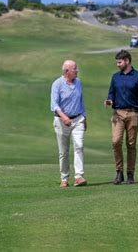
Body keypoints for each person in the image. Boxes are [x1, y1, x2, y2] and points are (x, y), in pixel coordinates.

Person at [104, 50, 138, 185]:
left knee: (131, 145)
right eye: (117, 62)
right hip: (118, 113)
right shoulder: (115, 77)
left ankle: (130, 173)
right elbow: (111, 93)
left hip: (133, 113)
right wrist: (109, 100)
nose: (117, 65)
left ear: (127, 61)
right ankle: (119, 172)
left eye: (120, 62)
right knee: (115, 141)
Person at [51, 60, 87, 188]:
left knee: (79, 145)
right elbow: (54, 105)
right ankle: (64, 178)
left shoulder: (78, 83)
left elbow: (81, 101)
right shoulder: (57, 84)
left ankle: (78, 177)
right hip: (61, 121)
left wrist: (84, 117)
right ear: (67, 71)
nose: (77, 70)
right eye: (74, 68)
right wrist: (64, 116)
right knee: (64, 152)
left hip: (78, 119)